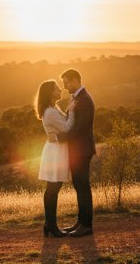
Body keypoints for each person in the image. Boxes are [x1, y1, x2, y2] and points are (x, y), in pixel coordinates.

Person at [53, 68, 96, 237]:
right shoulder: (76, 98)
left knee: (83, 186)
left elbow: (79, 129)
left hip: (82, 150)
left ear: (74, 81)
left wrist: (59, 137)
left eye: (66, 83)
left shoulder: (84, 100)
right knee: (79, 186)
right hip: (76, 150)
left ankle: (87, 226)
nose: (64, 87)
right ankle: (81, 222)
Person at [35, 79, 73, 237]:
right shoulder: (50, 111)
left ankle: (49, 224)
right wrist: (72, 110)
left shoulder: (52, 108)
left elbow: (62, 130)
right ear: (50, 92)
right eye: (57, 88)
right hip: (55, 153)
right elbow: (66, 127)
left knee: (52, 189)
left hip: (56, 150)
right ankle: (51, 225)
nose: (60, 89)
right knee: (53, 189)